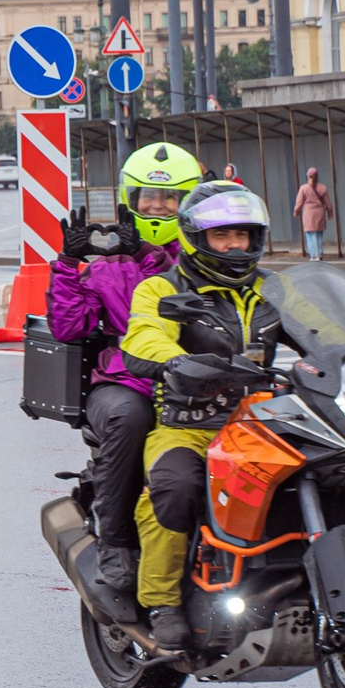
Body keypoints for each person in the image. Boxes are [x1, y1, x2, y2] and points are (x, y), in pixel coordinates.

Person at [118, 183, 280, 652]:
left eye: (242, 235)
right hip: (189, 425)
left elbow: (326, 328)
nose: (234, 246)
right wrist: (177, 361)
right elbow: (144, 335)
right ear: (196, 238)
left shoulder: (273, 288)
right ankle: (162, 603)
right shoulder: (163, 287)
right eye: (221, 235)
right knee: (175, 488)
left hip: (261, 423)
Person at [45, 142, 201, 615]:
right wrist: (68, 265)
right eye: (148, 198)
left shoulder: (209, 252)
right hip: (125, 381)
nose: (158, 208)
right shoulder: (109, 265)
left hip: (199, 382)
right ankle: (116, 543)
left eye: (170, 198)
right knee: (131, 418)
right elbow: (69, 327)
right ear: (129, 200)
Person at [293, 167, 334, 261]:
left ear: (308, 176)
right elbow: (328, 203)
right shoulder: (323, 188)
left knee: (310, 235)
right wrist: (330, 213)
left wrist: (296, 212)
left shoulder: (303, 188)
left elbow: (299, 203)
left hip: (309, 215)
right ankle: (319, 253)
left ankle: (314, 255)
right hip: (320, 214)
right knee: (319, 234)